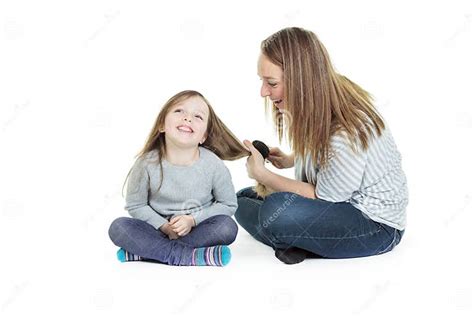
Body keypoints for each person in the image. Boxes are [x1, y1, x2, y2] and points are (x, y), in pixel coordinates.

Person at [236, 27, 408, 264]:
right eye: (262, 81)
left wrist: (263, 175)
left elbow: (324, 197)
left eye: (271, 83)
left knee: (275, 212)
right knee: (242, 199)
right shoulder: (323, 98)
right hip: (333, 207)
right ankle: (299, 239)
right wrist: (290, 159)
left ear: (301, 81)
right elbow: (323, 146)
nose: (263, 92)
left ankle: (294, 237)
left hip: (374, 226)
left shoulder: (347, 133)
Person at [108, 90, 249, 266]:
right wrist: (164, 226)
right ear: (162, 125)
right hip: (156, 230)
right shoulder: (146, 163)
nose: (187, 118)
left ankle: (149, 253)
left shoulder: (213, 164)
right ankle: (188, 256)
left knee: (227, 227)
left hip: (197, 230)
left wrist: (192, 220)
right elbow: (136, 205)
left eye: (198, 116)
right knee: (119, 227)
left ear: (203, 136)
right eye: (179, 111)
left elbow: (228, 205)